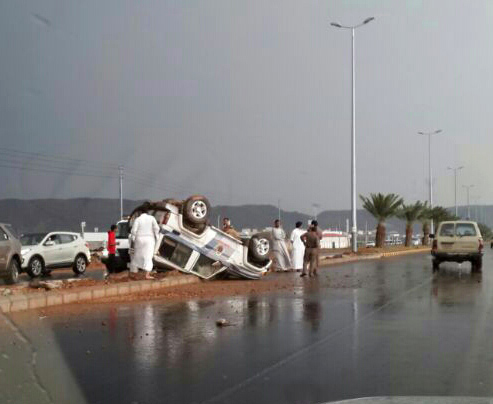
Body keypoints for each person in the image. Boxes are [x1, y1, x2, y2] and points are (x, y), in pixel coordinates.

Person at [129, 208, 160, 280]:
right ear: (147, 212)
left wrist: (133, 239)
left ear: (141, 213)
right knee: (148, 256)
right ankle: (147, 275)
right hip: (149, 239)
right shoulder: (151, 218)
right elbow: (156, 228)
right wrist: (157, 236)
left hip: (139, 239)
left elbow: (133, 230)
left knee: (137, 255)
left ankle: (134, 272)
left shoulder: (138, 219)